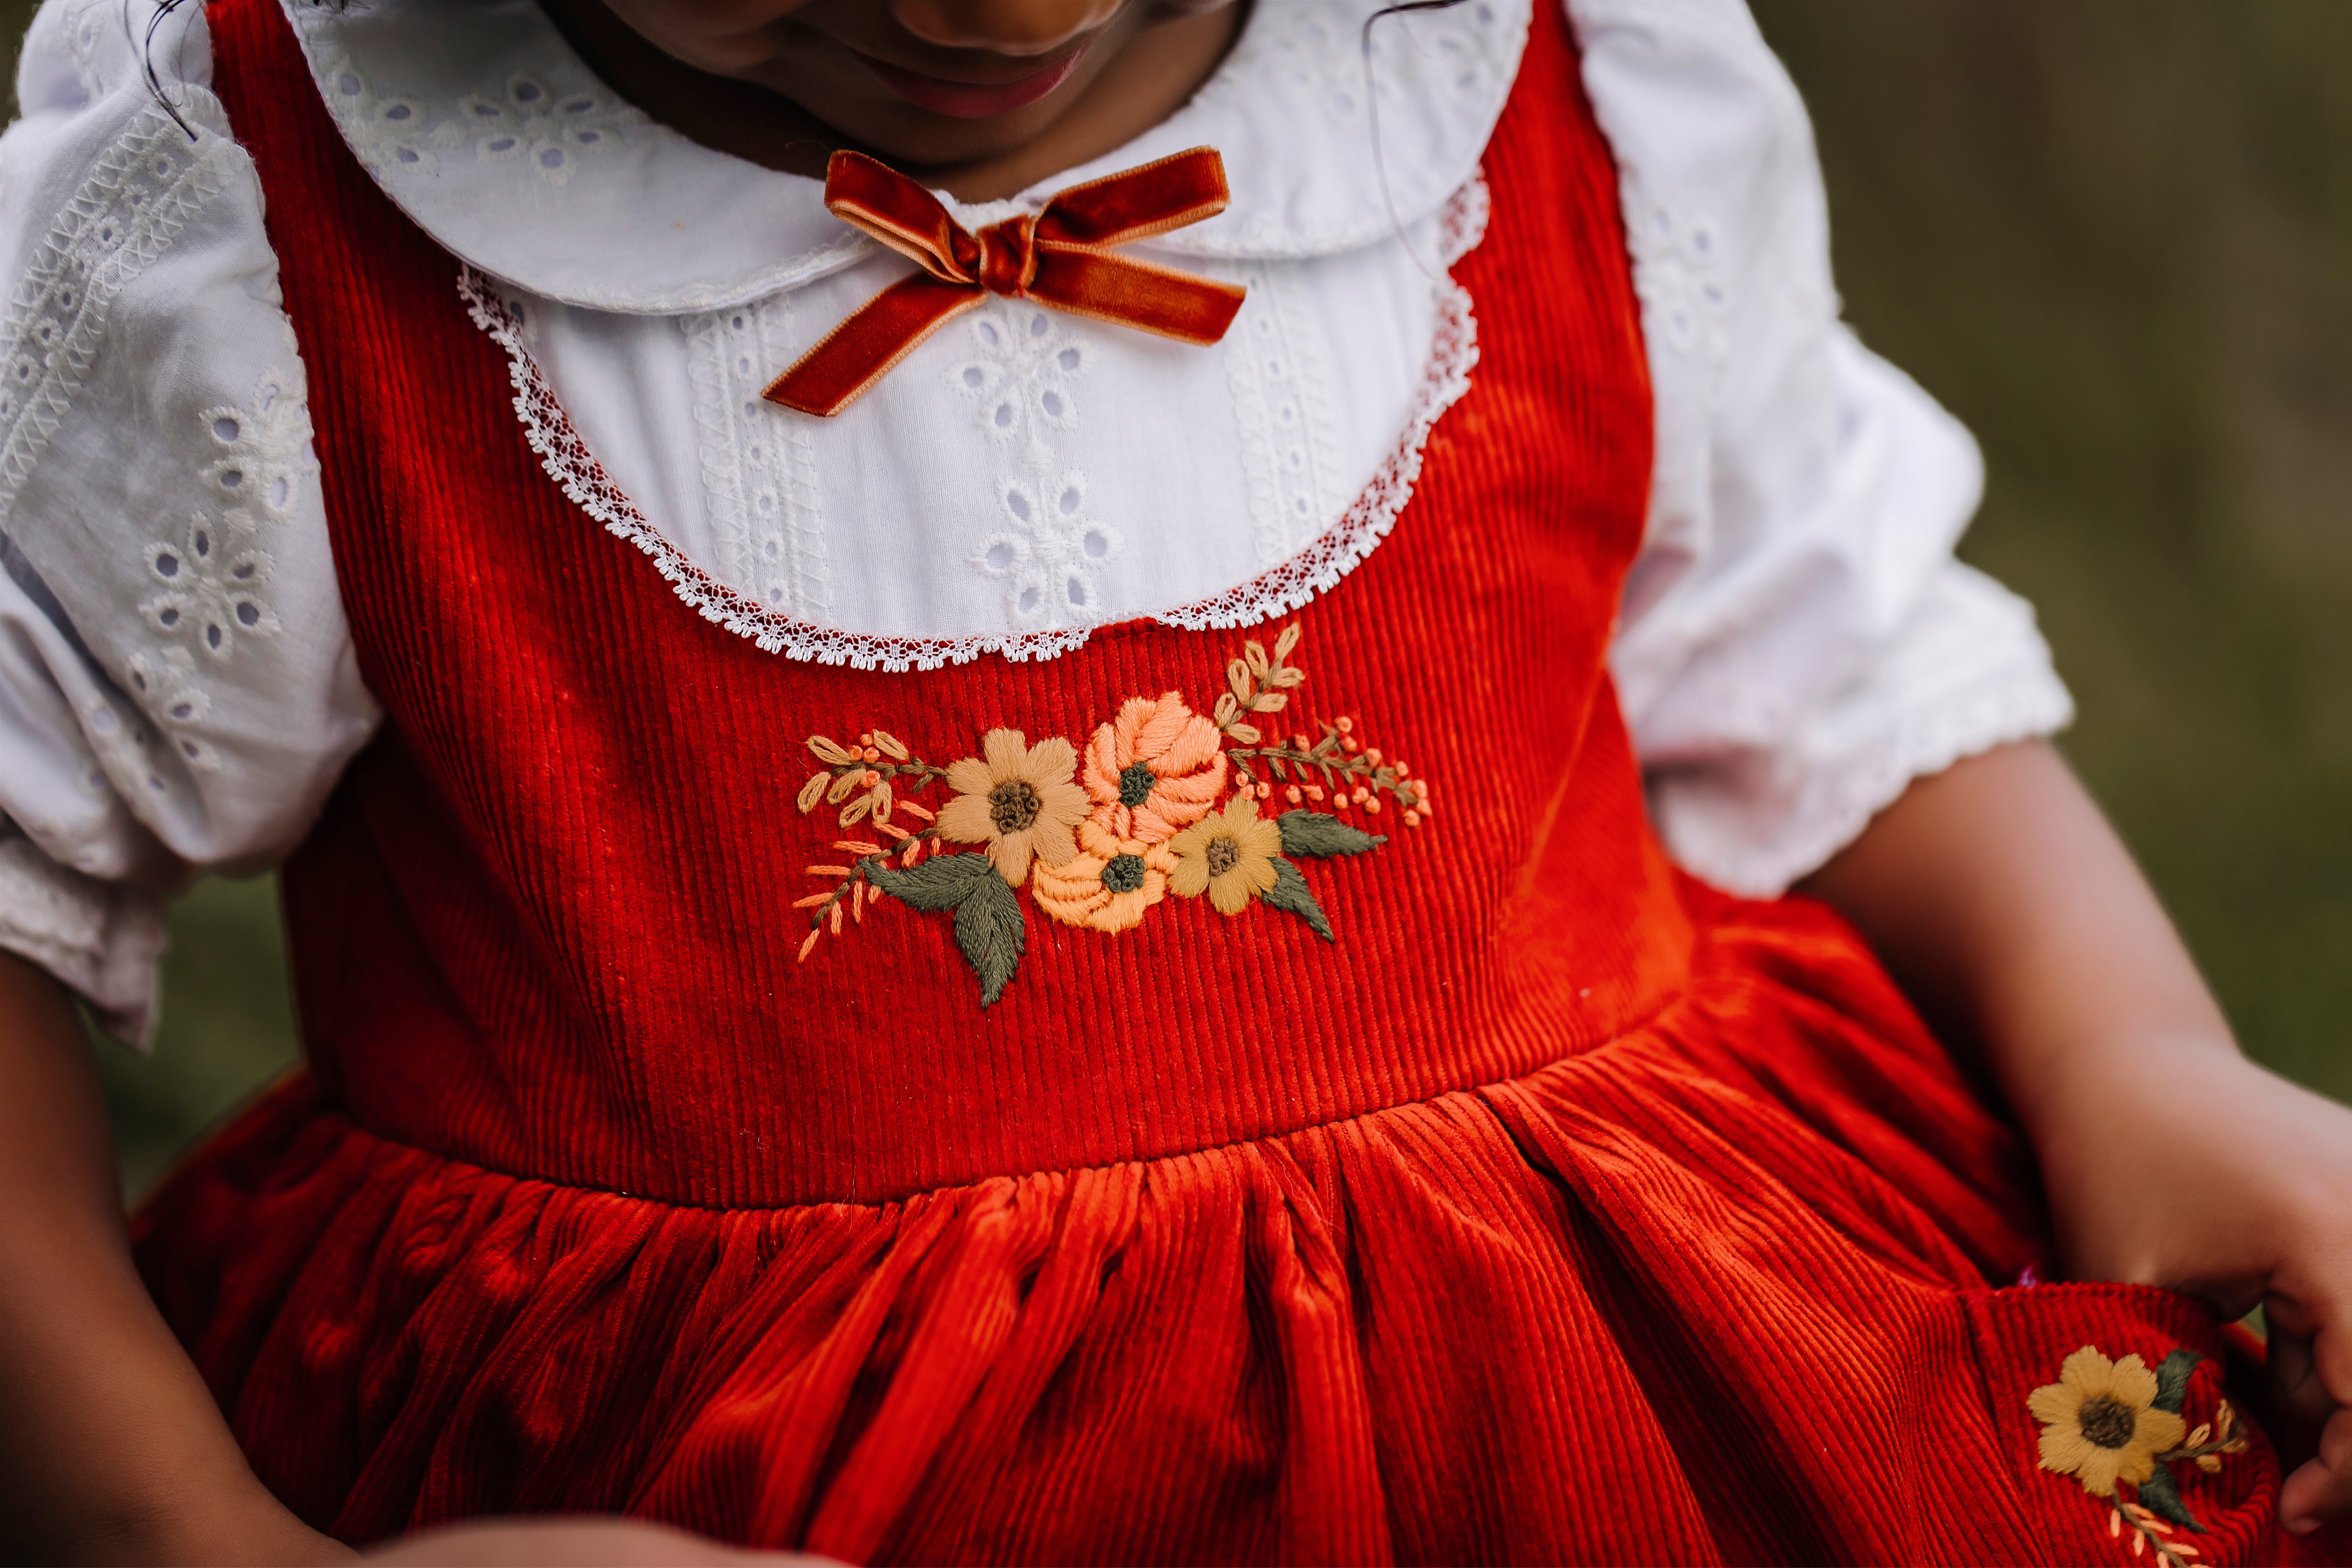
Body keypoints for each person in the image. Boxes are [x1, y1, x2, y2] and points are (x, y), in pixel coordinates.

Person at [0, 0, 2346, 1561]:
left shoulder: (1558, 75)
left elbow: (1814, 639)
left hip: (1636, 1405)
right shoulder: (265, 223)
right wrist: (182, 1539)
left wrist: (2131, 1054)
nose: (990, 3)